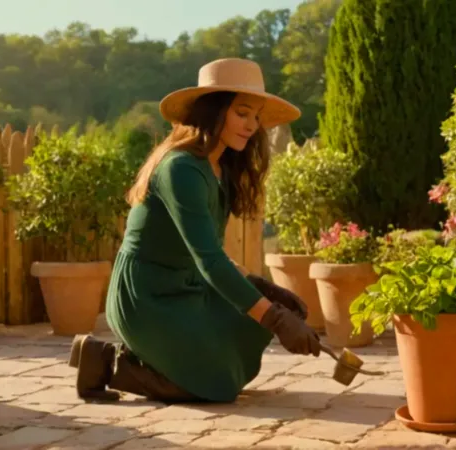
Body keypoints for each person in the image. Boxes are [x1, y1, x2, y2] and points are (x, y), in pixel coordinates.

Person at [67, 58, 323, 404]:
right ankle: (107, 363)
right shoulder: (181, 169)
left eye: (256, 116)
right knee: (217, 385)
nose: (252, 126)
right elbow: (210, 261)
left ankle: (168, 362)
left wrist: (259, 287)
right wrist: (275, 318)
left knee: (240, 350)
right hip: (147, 296)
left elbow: (208, 252)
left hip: (188, 286)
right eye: (242, 113)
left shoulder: (220, 169)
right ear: (213, 111)